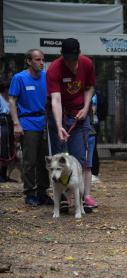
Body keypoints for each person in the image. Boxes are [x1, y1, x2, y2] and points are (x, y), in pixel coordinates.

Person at [47, 38, 98, 209]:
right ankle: (62, 196)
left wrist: (85, 107)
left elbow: (89, 87)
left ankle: (84, 196)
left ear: (79, 53)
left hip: (80, 114)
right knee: (59, 158)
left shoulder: (87, 63)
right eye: (67, 58)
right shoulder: (54, 68)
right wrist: (59, 124)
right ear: (61, 55)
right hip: (60, 114)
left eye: (73, 58)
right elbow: (56, 99)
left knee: (80, 158)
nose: (71, 62)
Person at [8, 49, 52, 206]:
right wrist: (16, 123)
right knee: (30, 160)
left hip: (44, 122)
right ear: (28, 61)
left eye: (43, 59)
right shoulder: (19, 78)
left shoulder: (46, 77)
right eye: (37, 59)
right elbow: (12, 101)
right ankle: (30, 192)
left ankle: (42, 192)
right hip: (27, 122)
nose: (41, 63)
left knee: (44, 160)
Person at [0, 79, 14, 183]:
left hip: (10, 122)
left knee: (8, 149)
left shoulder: (11, 99)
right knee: (2, 148)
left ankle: (4, 174)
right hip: (2, 123)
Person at [90, 92, 101, 183]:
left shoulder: (93, 94)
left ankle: (94, 172)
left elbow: (93, 109)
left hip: (92, 123)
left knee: (92, 148)